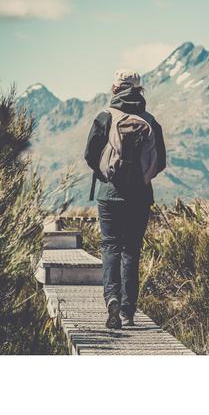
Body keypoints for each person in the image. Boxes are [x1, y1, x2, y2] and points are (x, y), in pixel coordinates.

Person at [84, 69, 166, 329]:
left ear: (115, 88)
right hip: (140, 197)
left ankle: (112, 299)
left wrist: (107, 175)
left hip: (109, 195)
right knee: (132, 251)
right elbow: (160, 162)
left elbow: (89, 155)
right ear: (139, 90)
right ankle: (128, 312)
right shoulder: (150, 120)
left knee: (110, 247)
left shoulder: (105, 117)